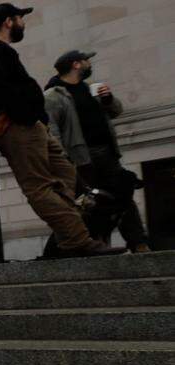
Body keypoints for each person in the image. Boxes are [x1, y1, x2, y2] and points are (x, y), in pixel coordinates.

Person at [0, 3, 123, 259]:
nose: (23, 23)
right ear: (9, 21)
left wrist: (36, 119)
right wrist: (21, 114)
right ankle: (77, 240)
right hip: (18, 127)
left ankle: (69, 237)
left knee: (67, 178)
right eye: (20, 18)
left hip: (32, 126)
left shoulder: (2, 53)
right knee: (39, 187)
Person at [44, 50, 150, 252]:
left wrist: (108, 99)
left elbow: (116, 111)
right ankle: (85, 243)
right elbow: (51, 130)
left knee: (124, 196)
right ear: (76, 64)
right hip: (82, 159)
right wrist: (63, 159)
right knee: (87, 204)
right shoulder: (54, 95)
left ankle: (138, 242)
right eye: (86, 61)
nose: (88, 64)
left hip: (108, 154)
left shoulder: (89, 89)